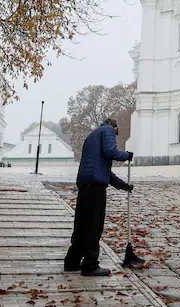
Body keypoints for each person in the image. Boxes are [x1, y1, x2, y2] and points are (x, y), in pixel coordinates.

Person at [64, 118, 133, 276]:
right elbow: (111, 151)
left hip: (85, 184)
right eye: (116, 134)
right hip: (95, 187)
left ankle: (71, 261)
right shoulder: (107, 131)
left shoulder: (91, 136)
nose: (114, 137)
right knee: (93, 226)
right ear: (114, 128)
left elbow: (104, 170)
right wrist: (127, 155)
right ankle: (90, 264)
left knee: (82, 226)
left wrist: (123, 185)